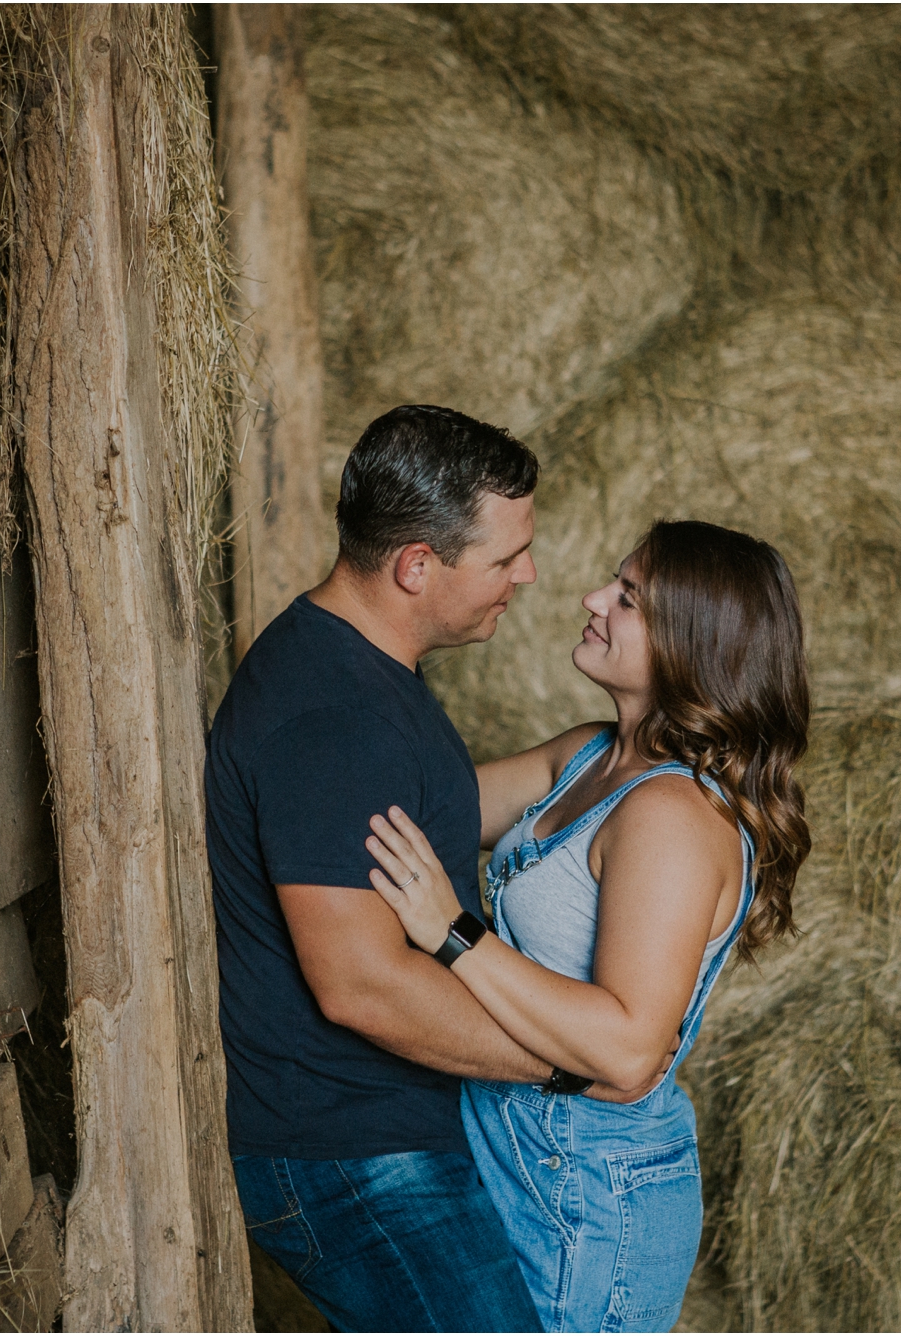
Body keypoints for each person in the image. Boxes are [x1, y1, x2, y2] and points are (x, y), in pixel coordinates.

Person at [207, 404, 651, 1333]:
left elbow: (501, 802)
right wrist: (568, 1069)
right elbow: (363, 986)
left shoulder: (366, 673)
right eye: (504, 558)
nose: (528, 575)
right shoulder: (337, 721)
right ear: (417, 565)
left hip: (384, 1134)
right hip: (347, 1153)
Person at [362, 518, 812, 1333]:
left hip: (587, 1194)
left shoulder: (672, 816)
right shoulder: (590, 757)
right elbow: (430, 807)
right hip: (515, 1153)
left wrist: (453, 932)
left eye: (628, 597)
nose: (592, 599)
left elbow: (630, 1047)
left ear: (691, 642)